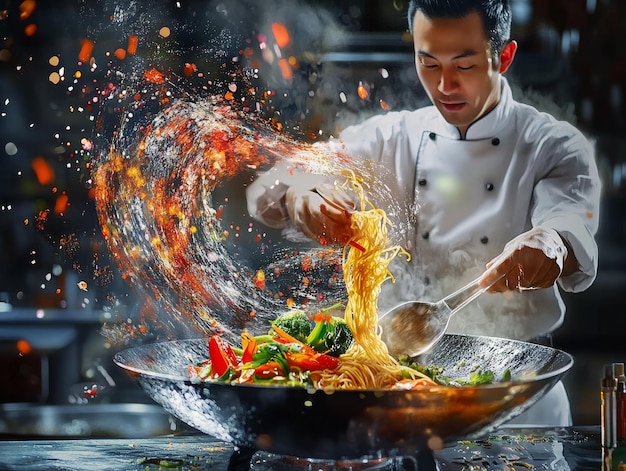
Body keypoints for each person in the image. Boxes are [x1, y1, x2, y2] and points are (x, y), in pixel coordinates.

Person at [246, 0, 601, 426]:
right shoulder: (388, 136)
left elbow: (569, 223)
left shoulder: (552, 145)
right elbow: (268, 188)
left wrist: (550, 244)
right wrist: (302, 195)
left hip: (516, 406)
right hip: (398, 399)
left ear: (503, 57)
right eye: (428, 62)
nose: (445, 85)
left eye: (464, 66)